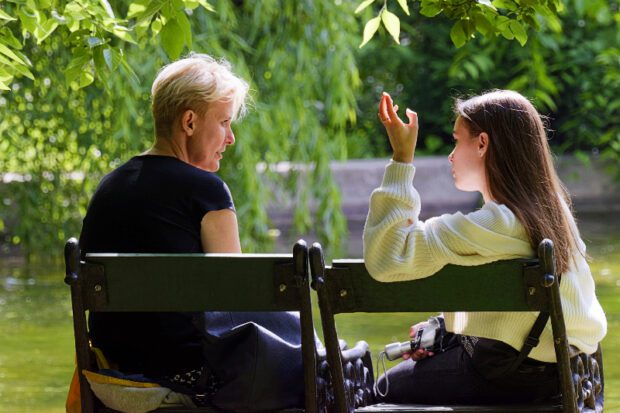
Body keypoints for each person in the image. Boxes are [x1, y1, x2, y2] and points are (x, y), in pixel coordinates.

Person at [363, 90, 607, 404]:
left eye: (456, 140)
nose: (451, 154)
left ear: (482, 144)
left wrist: (401, 159)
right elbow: (518, 318)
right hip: (576, 374)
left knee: (381, 389)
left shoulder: (491, 224)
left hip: (511, 377)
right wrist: (447, 327)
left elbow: (386, 259)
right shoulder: (553, 213)